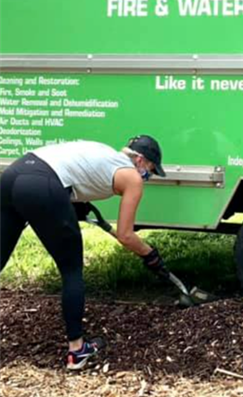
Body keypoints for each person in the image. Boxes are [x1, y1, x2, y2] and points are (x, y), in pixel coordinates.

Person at [0, 135, 169, 370]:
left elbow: (69, 174)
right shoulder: (131, 176)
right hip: (43, 183)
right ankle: (77, 350)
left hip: (13, 175)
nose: (146, 177)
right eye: (149, 171)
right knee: (71, 270)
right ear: (140, 160)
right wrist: (150, 254)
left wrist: (70, 202)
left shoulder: (104, 152)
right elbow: (126, 235)